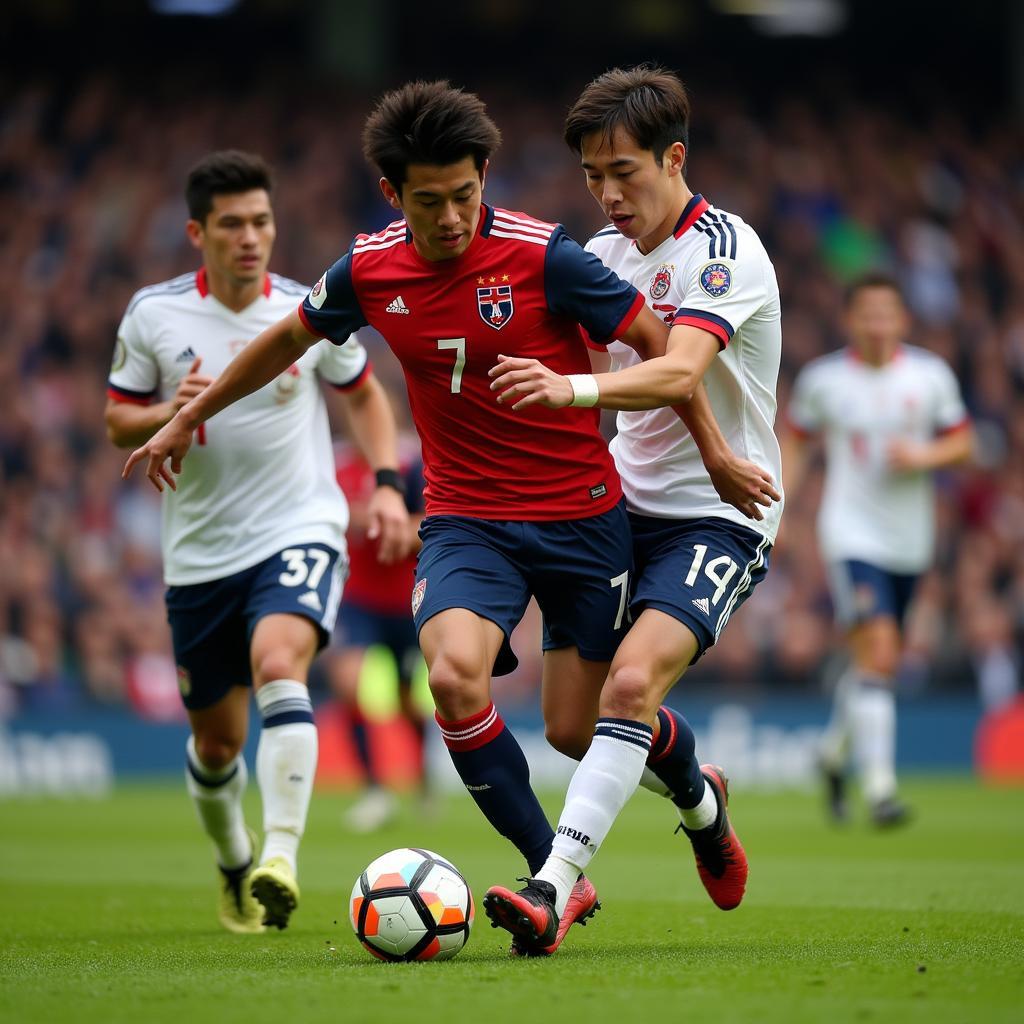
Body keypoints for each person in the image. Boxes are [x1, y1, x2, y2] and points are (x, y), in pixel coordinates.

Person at [121, 82, 769, 950]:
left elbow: (669, 359)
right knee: (456, 679)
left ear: (486, 178)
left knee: (585, 723)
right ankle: (553, 877)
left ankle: (694, 798)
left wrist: (717, 453)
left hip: (590, 516)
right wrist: (182, 415)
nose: (454, 216)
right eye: (431, 201)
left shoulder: (555, 256)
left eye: (467, 195)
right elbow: (285, 339)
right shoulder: (373, 266)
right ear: (395, 194)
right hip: (470, 519)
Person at [480, 65, 783, 954]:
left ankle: (553, 888)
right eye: (591, 177)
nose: (609, 195)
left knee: (629, 686)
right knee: (573, 726)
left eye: (625, 172)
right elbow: (603, 398)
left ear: (674, 156)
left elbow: (680, 370)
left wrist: (568, 388)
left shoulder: (725, 250)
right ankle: (700, 798)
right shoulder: (601, 259)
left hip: (720, 514)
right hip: (614, 511)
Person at [106, 150, 410, 933]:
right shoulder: (154, 315)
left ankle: (281, 855)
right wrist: (166, 413)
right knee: (216, 745)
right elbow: (118, 420)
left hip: (298, 527)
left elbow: (368, 399)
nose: (251, 237)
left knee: (282, 663)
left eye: (262, 222)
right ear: (198, 232)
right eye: (233, 224)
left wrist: (383, 483)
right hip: (200, 555)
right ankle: (236, 859)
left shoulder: (306, 310)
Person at [782, 272, 972, 826]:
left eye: (887, 313)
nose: (877, 323)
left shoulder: (929, 376)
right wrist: (785, 507)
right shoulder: (825, 381)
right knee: (881, 652)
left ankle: (831, 755)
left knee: (875, 661)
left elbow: (961, 441)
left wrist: (924, 457)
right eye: (867, 313)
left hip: (910, 540)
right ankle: (882, 790)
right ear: (850, 320)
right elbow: (796, 437)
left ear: (902, 320)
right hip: (851, 534)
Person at [328, 437, 427, 832]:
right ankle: (374, 789)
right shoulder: (335, 466)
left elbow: (429, 519)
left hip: (404, 598)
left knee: (406, 699)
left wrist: (392, 523)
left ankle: (422, 777)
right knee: (348, 683)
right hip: (357, 598)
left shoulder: (407, 464)